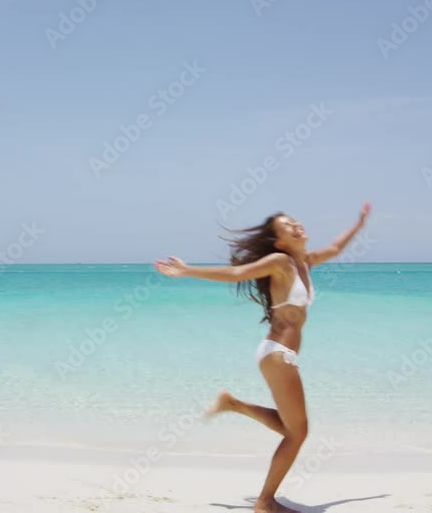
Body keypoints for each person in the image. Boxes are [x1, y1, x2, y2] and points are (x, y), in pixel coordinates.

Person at [153, 203, 372, 513]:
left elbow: (335, 248)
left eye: (294, 221)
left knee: (292, 428)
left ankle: (234, 405)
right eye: (287, 226)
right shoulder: (280, 262)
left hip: (281, 355)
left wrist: (358, 225)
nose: (296, 225)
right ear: (279, 242)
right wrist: (188, 271)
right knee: (298, 432)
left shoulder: (305, 262)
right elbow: (237, 273)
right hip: (277, 354)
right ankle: (265, 501)